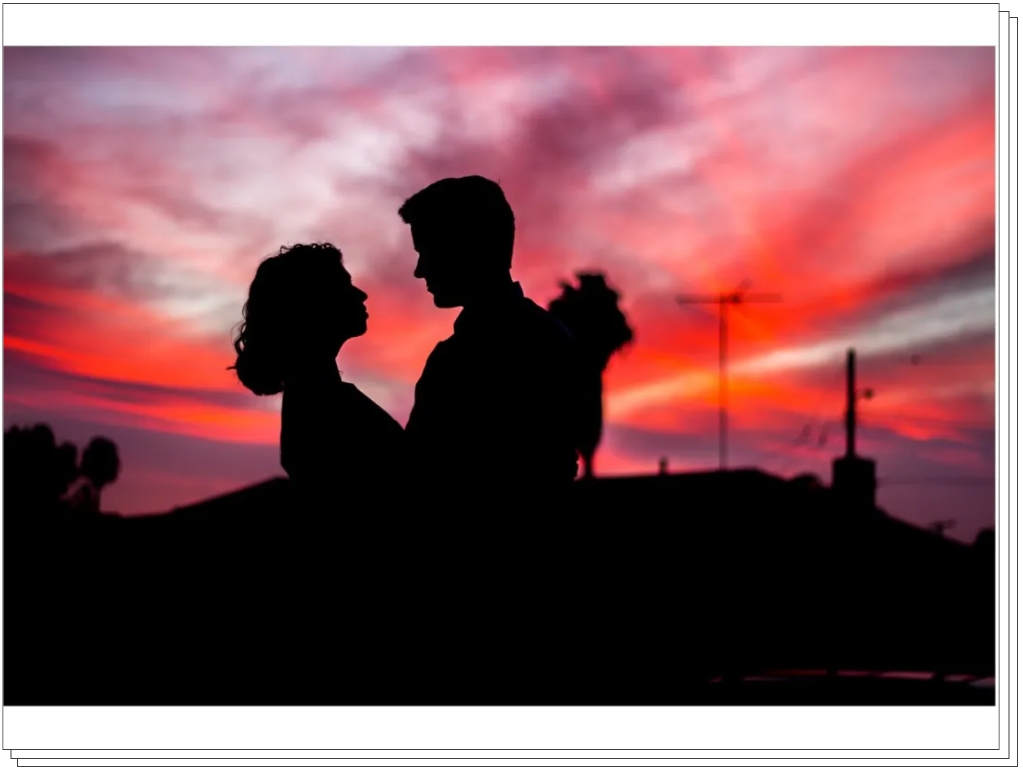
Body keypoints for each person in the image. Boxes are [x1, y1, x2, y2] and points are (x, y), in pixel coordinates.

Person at [398, 176, 583, 513]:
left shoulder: (473, 354)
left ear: (470, 247)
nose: (419, 270)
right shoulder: (547, 336)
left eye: (428, 251)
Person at [231, 243, 404, 514]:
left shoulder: (316, 400)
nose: (361, 294)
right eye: (344, 286)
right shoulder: (322, 407)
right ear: (312, 304)